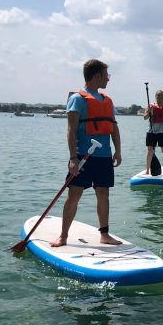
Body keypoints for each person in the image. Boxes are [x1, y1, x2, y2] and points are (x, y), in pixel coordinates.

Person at [50, 59, 122, 247]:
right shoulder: (78, 99)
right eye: (106, 75)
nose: (108, 79)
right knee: (74, 194)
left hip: (104, 156)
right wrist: (73, 158)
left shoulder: (108, 100)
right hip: (83, 156)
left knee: (103, 193)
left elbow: (114, 128)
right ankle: (63, 236)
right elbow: (71, 130)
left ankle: (104, 235)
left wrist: (118, 151)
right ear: (97, 75)